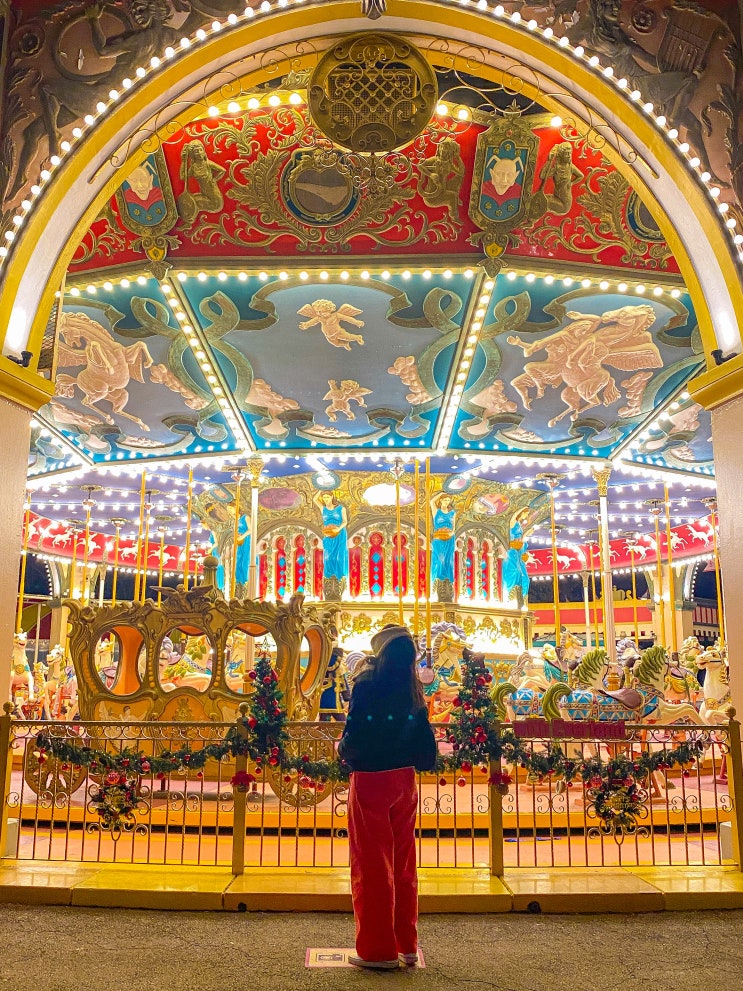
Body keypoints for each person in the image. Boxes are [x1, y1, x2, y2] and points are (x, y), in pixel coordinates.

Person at [338, 625, 438, 970]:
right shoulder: (413, 689)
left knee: (371, 864)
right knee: (403, 862)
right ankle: (406, 944)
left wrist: (343, 751)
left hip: (371, 778)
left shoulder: (370, 685)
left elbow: (356, 728)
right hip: (403, 780)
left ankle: (377, 950)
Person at [313, 490, 349, 581]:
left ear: (332, 497)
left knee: (339, 557)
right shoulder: (323, 509)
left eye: (327, 497)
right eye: (324, 497)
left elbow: (345, 522)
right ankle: (329, 578)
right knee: (328, 558)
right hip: (328, 535)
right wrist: (320, 489)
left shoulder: (341, 508)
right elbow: (315, 499)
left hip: (340, 534)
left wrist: (338, 528)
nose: (326, 499)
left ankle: (340, 579)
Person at [502, 507, 531, 601]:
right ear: (521, 513)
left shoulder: (519, 524)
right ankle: (510, 596)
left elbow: (521, 539)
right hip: (511, 549)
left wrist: (526, 535)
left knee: (523, 576)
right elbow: (512, 518)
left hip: (518, 550)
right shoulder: (513, 522)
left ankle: (521, 597)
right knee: (515, 571)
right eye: (526, 513)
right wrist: (521, 507)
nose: (527, 515)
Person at [430, 492, 456, 585]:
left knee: (448, 560)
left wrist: (452, 532)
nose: (447, 502)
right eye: (445, 500)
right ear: (441, 500)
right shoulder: (436, 511)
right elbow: (431, 501)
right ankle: (437, 579)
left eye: (448, 500)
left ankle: (447, 580)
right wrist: (441, 493)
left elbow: (454, 527)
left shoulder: (452, 513)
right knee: (440, 559)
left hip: (449, 538)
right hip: (438, 538)